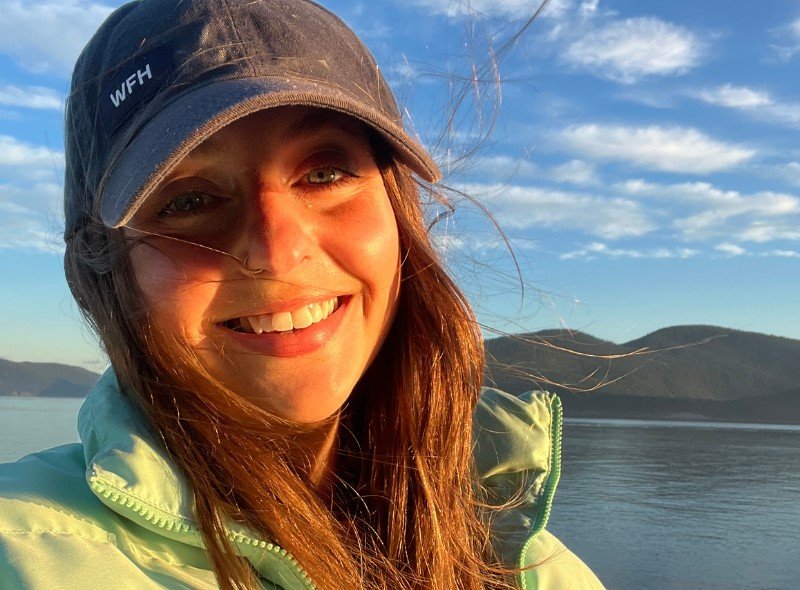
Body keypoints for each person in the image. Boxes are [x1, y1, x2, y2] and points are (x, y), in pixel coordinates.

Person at [0, 1, 605, 588]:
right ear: (105, 271)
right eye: (189, 200)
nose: (277, 251)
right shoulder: (25, 550)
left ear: (398, 213)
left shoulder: (529, 566)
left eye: (324, 173)